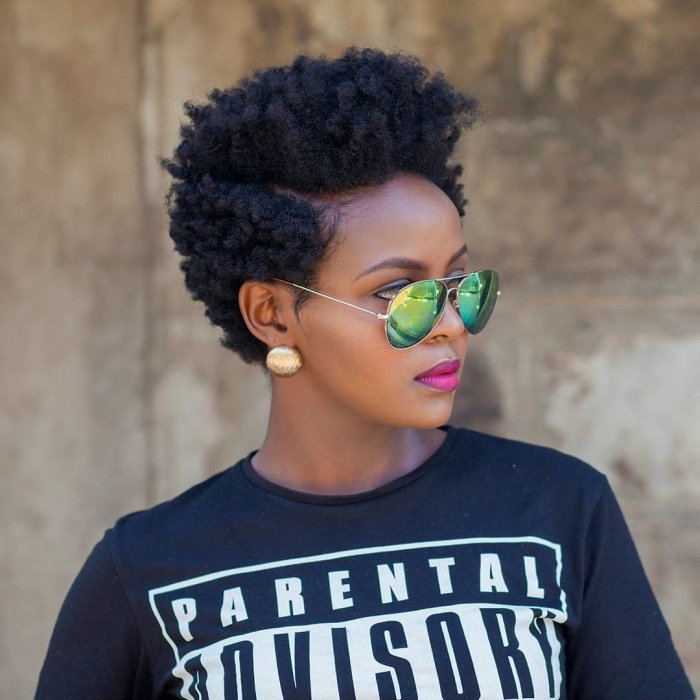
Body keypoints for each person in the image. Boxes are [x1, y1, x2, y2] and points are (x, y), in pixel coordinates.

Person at [35, 45, 694, 700]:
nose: (451, 323)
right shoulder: (148, 569)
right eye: (400, 293)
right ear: (272, 314)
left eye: (458, 282)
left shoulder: (558, 509)